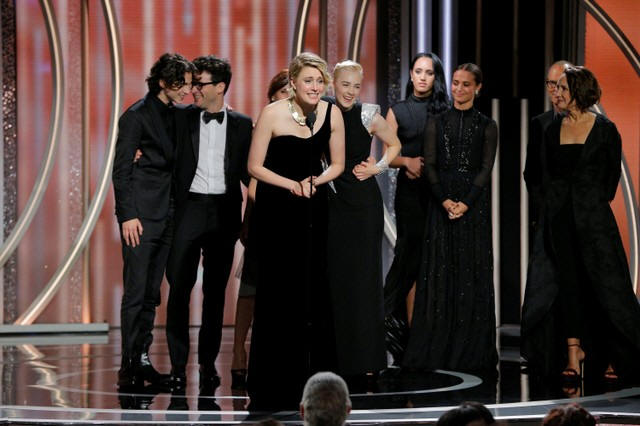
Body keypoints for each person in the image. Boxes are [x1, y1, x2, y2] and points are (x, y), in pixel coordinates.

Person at [521, 66, 640, 384]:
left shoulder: (605, 129)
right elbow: (541, 174)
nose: (556, 93)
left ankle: (616, 355)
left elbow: (610, 180)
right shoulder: (551, 129)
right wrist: (552, 207)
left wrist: (588, 203)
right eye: (555, 87)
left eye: (563, 87)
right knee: (568, 285)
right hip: (559, 219)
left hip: (595, 222)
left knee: (604, 286)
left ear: (579, 91)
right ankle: (574, 353)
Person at [247, 52, 345, 410]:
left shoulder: (331, 113)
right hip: (277, 209)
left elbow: (338, 163)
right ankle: (274, 380)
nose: (315, 87)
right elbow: (254, 166)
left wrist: (316, 180)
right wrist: (291, 184)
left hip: (314, 207)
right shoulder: (272, 114)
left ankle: (317, 381)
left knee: (313, 288)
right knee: (279, 292)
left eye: (320, 81)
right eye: (308, 80)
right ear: (293, 83)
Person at [165, 55, 253, 393]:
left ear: (220, 86)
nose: (194, 90)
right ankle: (177, 366)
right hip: (188, 210)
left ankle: (207, 364)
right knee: (179, 289)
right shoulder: (180, 117)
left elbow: (249, 173)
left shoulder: (243, 124)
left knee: (215, 294)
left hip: (224, 213)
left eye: (200, 84)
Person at [403, 63, 498, 372]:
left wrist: (465, 203)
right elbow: (429, 165)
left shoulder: (488, 126)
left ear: (478, 88)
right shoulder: (436, 122)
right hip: (440, 204)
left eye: (466, 84)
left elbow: (485, 169)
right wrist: (444, 200)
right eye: (455, 83)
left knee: (470, 273)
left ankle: (470, 350)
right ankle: (437, 349)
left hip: (473, 207)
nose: (459, 89)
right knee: (439, 272)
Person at [112, 53, 194, 388]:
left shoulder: (179, 114)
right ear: (163, 82)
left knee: (151, 293)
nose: (187, 90)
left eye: (189, 84)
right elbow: (121, 171)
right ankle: (129, 365)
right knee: (136, 291)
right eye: (182, 84)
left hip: (170, 214)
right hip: (142, 216)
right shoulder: (136, 116)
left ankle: (142, 358)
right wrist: (127, 215)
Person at [326, 60, 401, 382]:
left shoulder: (368, 114)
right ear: (333, 83)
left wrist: (377, 168)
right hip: (332, 201)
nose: (350, 91)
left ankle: (368, 357)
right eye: (345, 84)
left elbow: (395, 145)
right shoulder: (323, 110)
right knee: (336, 278)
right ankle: (336, 356)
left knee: (365, 279)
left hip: (363, 204)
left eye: (356, 86)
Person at [382, 53, 450, 364]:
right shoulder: (397, 111)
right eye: (418, 71)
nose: (423, 77)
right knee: (409, 258)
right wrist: (407, 161)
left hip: (439, 193)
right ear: (410, 74)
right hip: (410, 194)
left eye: (429, 72)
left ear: (436, 77)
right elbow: (387, 156)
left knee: (433, 261)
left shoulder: (445, 110)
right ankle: (394, 323)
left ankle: (429, 333)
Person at [230, 69, 290, 390]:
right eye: (282, 93)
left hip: (293, 215)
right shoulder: (261, 128)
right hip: (263, 214)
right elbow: (252, 180)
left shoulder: (306, 127)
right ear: (271, 97)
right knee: (251, 287)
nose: (288, 98)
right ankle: (238, 352)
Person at [524, 60, 572, 230]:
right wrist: (543, 208)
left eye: (560, 83)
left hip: (579, 216)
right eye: (551, 83)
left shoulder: (592, 124)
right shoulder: (539, 123)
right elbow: (531, 173)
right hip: (547, 216)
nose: (554, 89)